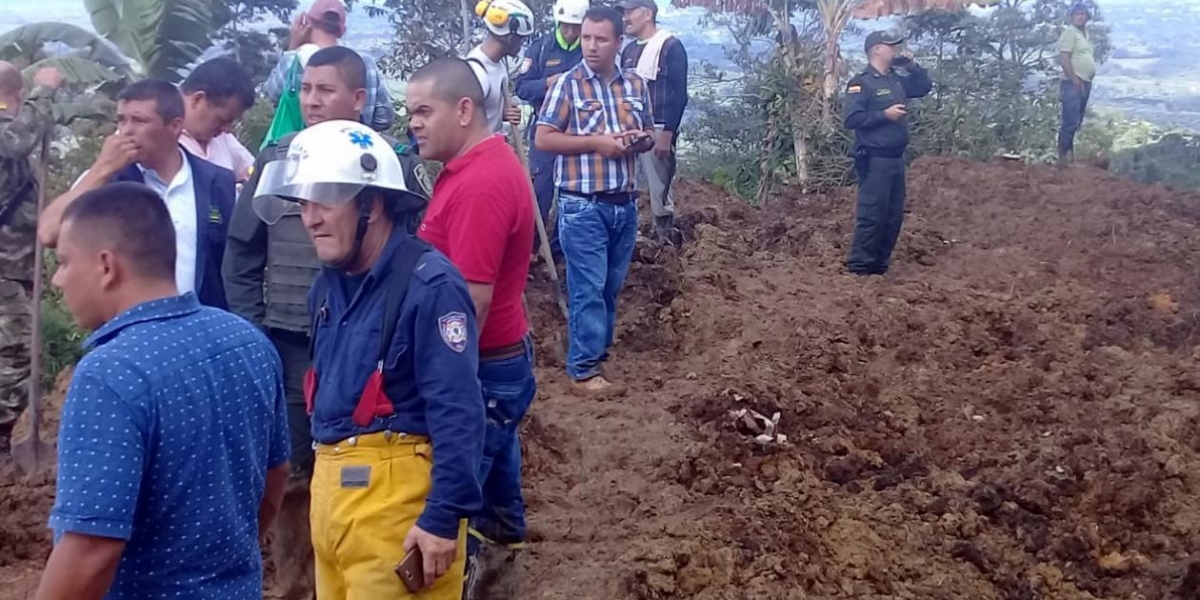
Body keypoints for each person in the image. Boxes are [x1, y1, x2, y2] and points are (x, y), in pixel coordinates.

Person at [223, 44, 430, 600]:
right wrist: (253, 335)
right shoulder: (275, 162)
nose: (312, 101)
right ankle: (298, 587)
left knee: (368, 459)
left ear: (359, 99)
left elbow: (415, 259)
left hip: (370, 348)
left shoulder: (389, 166)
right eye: (305, 89)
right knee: (290, 475)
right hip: (287, 346)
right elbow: (240, 257)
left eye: (326, 90)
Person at [250, 119, 484, 600]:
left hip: (397, 508)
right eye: (302, 203)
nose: (309, 218)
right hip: (332, 498)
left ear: (372, 205)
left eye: (323, 201)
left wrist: (441, 517)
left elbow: (459, 410)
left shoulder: (430, 286)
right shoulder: (327, 288)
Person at [34, 182, 290, 600]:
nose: (59, 280)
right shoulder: (246, 342)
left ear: (106, 266)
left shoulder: (111, 373)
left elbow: (90, 549)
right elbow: (276, 472)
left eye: (63, 262)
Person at [406, 58, 536, 600]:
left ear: (463, 110)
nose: (413, 122)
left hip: (484, 363)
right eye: (409, 111)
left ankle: (466, 578)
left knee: (456, 491)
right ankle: (508, 564)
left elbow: (472, 304)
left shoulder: (481, 184)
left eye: (423, 111)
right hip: (501, 358)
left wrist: (438, 384)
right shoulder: (471, 169)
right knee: (498, 475)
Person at [535, 6, 655, 395]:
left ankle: (596, 352)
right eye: (586, 38)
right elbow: (544, 138)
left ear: (619, 42)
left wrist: (641, 140)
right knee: (588, 287)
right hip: (581, 204)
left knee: (609, 287)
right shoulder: (567, 85)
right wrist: (596, 144)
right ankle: (583, 370)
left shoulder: (635, 85)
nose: (591, 46)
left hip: (624, 205)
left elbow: (650, 132)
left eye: (601, 39)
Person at [38, 79, 237, 309]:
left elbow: (234, 262)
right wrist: (101, 168)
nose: (126, 131)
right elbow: (48, 233)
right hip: (128, 327)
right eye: (122, 120)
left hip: (199, 327)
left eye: (139, 121)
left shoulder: (216, 181)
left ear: (174, 126)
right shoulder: (107, 179)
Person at [0, 63, 61, 454]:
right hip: (4, 269)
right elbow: (13, 140)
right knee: (14, 354)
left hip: (15, 266)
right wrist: (44, 92)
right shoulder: (10, 132)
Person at [842, 30, 931, 277]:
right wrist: (885, 115)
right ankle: (860, 268)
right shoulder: (861, 83)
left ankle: (879, 267)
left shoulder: (894, 79)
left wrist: (913, 67)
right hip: (875, 159)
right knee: (872, 214)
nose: (896, 50)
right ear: (877, 49)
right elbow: (852, 118)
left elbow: (923, 87)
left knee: (892, 216)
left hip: (897, 158)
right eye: (891, 46)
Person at [513, 0, 587, 256]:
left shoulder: (589, 50)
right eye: (566, 27)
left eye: (575, 27)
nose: (570, 32)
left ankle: (558, 249)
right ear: (558, 22)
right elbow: (521, 87)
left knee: (573, 191)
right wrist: (547, 83)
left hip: (579, 132)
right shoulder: (541, 48)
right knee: (541, 188)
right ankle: (532, 247)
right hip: (544, 128)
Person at [264, 0, 395, 132]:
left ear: (306, 24)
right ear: (342, 30)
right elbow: (384, 119)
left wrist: (293, 45)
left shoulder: (292, 60)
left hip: (302, 148)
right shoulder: (365, 63)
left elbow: (270, 97)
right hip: (356, 148)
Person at [619, 0, 688, 245]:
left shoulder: (670, 47)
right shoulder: (628, 51)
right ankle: (631, 234)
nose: (626, 18)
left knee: (659, 186)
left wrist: (667, 133)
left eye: (630, 12)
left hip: (658, 125)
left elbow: (679, 94)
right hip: (630, 126)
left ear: (647, 14)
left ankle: (664, 237)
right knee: (628, 180)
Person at [179, 57, 257, 183]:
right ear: (197, 99)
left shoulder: (221, 139)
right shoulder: (161, 136)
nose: (227, 130)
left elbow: (253, 172)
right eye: (222, 120)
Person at [466, 0, 535, 134]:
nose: (522, 43)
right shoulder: (476, 72)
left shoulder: (499, 64)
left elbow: (488, 112)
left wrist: (504, 113)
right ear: (510, 37)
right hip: (479, 151)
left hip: (493, 146)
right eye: (521, 38)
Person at [1058, 2, 1095, 165]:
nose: (1080, 17)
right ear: (1072, 17)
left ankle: (1069, 157)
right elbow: (1064, 58)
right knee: (1070, 121)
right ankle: (1062, 158)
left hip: (1084, 83)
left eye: (1083, 14)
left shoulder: (1084, 34)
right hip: (1073, 83)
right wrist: (1074, 79)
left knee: (1076, 121)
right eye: (1077, 14)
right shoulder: (1070, 33)